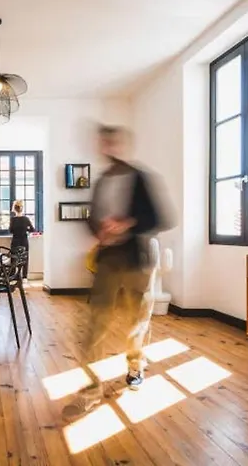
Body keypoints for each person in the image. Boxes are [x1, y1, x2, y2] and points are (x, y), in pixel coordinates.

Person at [61, 124, 173, 422]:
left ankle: (135, 367)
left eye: (112, 141)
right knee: (95, 323)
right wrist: (99, 230)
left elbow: (161, 217)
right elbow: (91, 218)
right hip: (108, 259)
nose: (107, 147)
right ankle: (91, 389)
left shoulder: (141, 178)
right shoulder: (101, 182)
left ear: (123, 144)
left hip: (138, 260)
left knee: (136, 321)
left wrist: (126, 223)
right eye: (103, 142)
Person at [9, 200, 35, 281]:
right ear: (22, 208)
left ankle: (13, 275)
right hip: (24, 240)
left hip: (15, 240)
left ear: (14, 209)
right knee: (24, 258)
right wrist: (26, 229)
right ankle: (24, 277)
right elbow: (32, 229)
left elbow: (10, 230)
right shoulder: (26, 219)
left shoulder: (13, 219)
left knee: (13, 258)